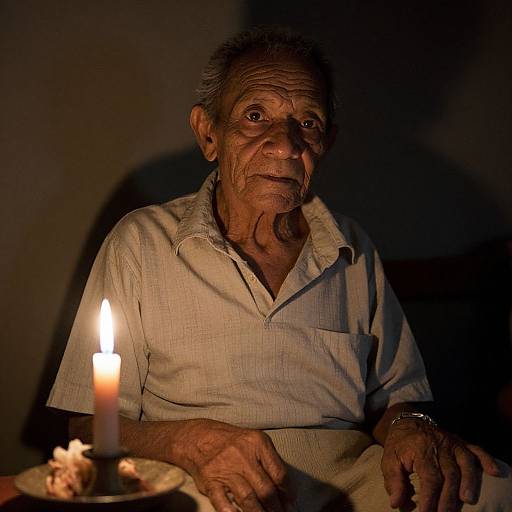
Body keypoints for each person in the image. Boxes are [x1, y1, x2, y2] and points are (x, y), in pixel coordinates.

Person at [47, 27, 512, 511]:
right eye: (255, 116)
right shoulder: (141, 242)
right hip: (198, 480)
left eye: (307, 124)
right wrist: (192, 442)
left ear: (326, 141)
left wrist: (412, 426)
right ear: (209, 133)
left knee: (492, 491)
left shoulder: (351, 248)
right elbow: (86, 426)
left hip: (348, 483)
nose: (286, 145)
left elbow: (399, 397)